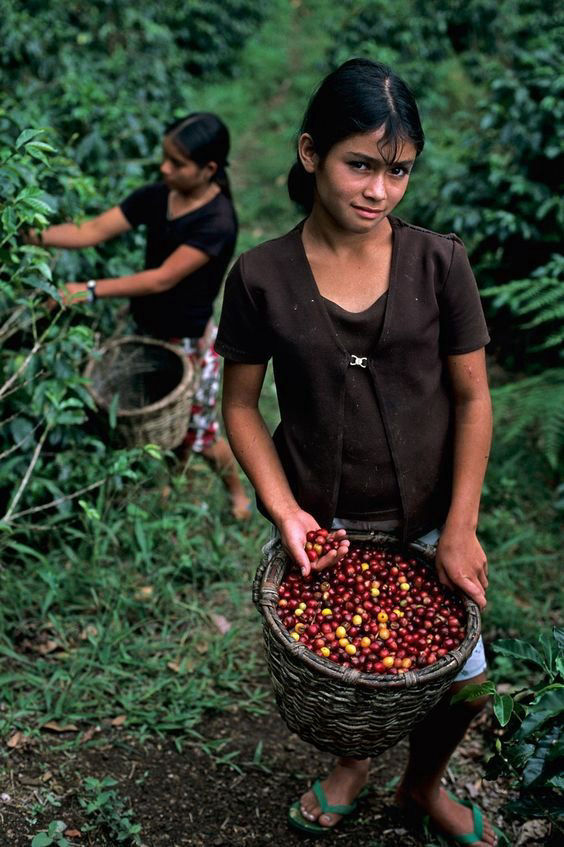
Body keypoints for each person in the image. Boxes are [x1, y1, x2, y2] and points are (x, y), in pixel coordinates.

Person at [216, 60, 504, 845]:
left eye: (399, 170)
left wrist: (460, 524)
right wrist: (288, 511)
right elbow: (238, 406)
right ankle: (354, 763)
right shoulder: (262, 277)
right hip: (330, 520)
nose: (379, 190)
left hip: (429, 515)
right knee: (358, 679)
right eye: (361, 165)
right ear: (311, 153)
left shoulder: (438, 263)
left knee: (468, 687)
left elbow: (475, 398)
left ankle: (420, 784)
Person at [27, 112, 250, 520]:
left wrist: (88, 290)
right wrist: (29, 235)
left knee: (197, 434)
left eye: (177, 163)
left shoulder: (216, 222)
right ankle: (170, 484)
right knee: (156, 423)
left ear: (209, 170)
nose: (164, 168)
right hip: (146, 327)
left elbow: (161, 280)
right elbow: (92, 230)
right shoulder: (157, 195)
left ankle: (237, 494)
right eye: (164, 158)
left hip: (186, 341)